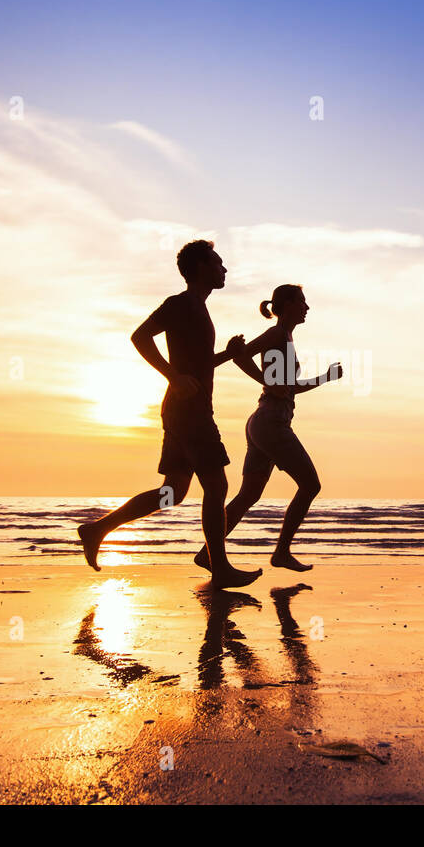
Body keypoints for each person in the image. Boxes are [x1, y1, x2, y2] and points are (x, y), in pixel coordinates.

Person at [78, 240, 262, 588]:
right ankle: (219, 566)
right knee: (217, 484)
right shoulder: (180, 304)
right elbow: (140, 336)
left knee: (173, 492)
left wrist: (229, 353)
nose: (224, 270)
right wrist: (171, 375)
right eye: (218, 263)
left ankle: (97, 529)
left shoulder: (199, 309)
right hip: (189, 413)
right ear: (199, 268)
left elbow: (199, 365)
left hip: (184, 411)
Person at [194, 284, 341, 573]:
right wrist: (267, 380)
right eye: (302, 302)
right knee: (311, 485)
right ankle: (282, 552)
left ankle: (206, 554)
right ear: (286, 304)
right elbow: (240, 355)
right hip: (270, 424)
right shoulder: (276, 334)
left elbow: (287, 388)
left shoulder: (285, 337)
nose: (306, 307)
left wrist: (321, 378)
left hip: (264, 422)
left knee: (249, 495)